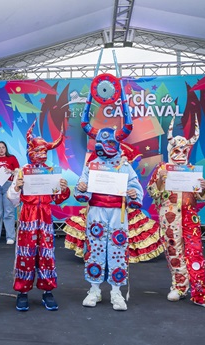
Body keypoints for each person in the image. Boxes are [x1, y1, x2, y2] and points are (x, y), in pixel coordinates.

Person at [74, 76, 144, 311]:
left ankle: (116, 292)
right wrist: (81, 189)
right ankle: (94, 290)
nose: (105, 148)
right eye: (100, 144)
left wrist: (134, 194)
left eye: (109, 143)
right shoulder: (91, 165)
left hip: (118, 214)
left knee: (116, 249)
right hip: (95, 213)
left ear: (116, 144)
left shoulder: (124, 165)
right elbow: (81, 186)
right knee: (94, 249)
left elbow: (135, 186)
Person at [146, 115, 205, 310]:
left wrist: (203, 187)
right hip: (169, 217)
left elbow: (202, 197)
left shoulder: (192, 170)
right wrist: (161, 180)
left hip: (190, 215)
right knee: (174, 252)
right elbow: (153, 193)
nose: (180, 153)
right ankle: (179, 286)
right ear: (170, 150)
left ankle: (200, 293)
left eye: (184, 149)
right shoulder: (161, 168)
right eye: (177, 149)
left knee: (195, 252)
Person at [7, 119, 70, 312]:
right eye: (37, 150)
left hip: (45, 217)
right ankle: (22, 292)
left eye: (44, 150)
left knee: (46, 254)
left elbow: (58, 199)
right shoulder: (22, 171)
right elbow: (12, 198)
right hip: (27, 215)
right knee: (25, 254)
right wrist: (17, 186)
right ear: (30, 151)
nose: (40, 154)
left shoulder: (52, 172)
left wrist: (63, 189)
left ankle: (47, 292)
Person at [0, 141, 20, 244]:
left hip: (8, 185)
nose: (1, 149)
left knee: (9, 212)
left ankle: (10, 236)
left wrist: (11, 171)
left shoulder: (12, 158)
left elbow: (19, 172)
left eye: (3, 147)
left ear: (6, 149)